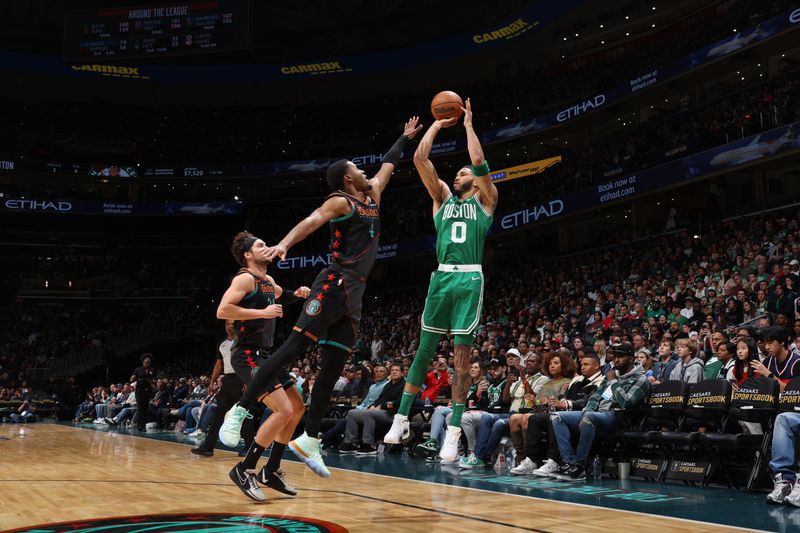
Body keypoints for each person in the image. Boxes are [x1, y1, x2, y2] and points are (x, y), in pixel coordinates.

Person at [218, 117, 423, 478]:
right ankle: (241, 407)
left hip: (355, 291)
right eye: (358, 169)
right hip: (334, 282)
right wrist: (284, 243)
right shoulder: (339, 201)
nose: (366, 171)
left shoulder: (372, 192)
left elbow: (389, 163)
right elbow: (312, 221)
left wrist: (404, 138)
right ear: (347, 179)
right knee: (293, 346)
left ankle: (311, 437)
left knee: (332, 367)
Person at [384, 99, 499, 465]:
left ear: (475, 182)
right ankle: (401, 419)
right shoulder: (441, 199)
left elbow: (479, 162)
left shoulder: (486, 201)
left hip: (469, 279)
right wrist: (436, 124)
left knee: (462, 360)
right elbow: (421, 160)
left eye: (463, 174)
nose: (458, 176)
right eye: (458, 174)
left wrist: (466, 125)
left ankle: (452, 430)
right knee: (423, 350)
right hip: (441, 278)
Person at [216, 231, 311, 502]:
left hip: (267, 355)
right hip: (247, 354)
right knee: (283, 410)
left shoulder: (267, 280)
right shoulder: (244, 278)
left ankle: (270, 470)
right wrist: (261, 313)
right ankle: (244, 469)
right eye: (260, 245)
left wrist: (300, 294)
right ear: (248, 255)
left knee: (298, 408)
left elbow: (285, 295)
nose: (267, 247)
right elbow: (223, 310)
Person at [551, 342, 650, 481]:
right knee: (557, 417)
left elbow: (625, 403)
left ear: (631, 358)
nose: (616, 359)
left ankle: (580, 466)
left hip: (618, 417)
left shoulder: (640, 379)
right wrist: (586, 413)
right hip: (597, 415)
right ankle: (569, 462)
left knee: (590, 417)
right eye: (614, 356)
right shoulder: (610, 375)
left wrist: (614, 382)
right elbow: (595, 397)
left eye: (620, 356)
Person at [191, 320, 248, 456]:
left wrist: (248, 380)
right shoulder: (221, 344)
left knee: (242, 414)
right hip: (227, 379)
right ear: (225, 326)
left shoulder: (244, 340)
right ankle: (208, 447)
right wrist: (212, 381)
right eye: (227, 324)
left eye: (232, 324)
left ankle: (249, 447)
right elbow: (218, 364)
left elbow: (249, 361)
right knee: (218, 414)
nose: (230, 326)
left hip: (241, 378)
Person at [339, 363, 406, 455]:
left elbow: (400, 402)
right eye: (392, 370)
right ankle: (350, 443)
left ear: (402, 373)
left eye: (397, 370)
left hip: (392, 414)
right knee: (352, 413)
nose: (394, 372)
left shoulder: (404, 385)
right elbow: (379, 399)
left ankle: (367, 445)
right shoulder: (389, 385)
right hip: (380, 411)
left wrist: (382, 406)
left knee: (368, 414)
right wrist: (373, 405)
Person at [751, 326, 800, 391]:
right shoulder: (767, 361)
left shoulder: (797, 363)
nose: (767, 347)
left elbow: (792, 392)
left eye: (770, 343)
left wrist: (769, 374)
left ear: (782, 342)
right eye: (765, 344)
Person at [132, 353, 155, 431]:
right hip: (139, 391)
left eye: (148, 362)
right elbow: (132, 378)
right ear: (143, 362)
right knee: (141, 408)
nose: (147, 363)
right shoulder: (138, 369)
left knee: (145, 409)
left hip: (148, 391)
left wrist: (152, 382)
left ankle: (143, 426)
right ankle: (139, 426)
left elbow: (153, 380)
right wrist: (133, 377)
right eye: (146, 362)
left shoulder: (152, 370)